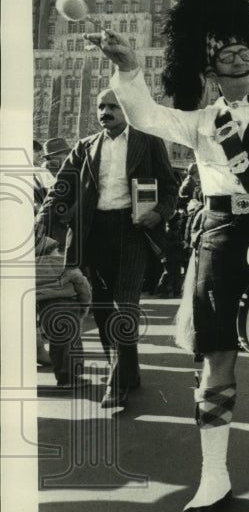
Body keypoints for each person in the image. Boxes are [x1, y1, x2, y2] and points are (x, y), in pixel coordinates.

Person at [86, 0, 249, 512]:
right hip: (220, 236)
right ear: (211, 65)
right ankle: (214, 475)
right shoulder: (200, 121)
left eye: (242, 41)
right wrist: (127, 68)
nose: (237, 50)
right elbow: (146, 115)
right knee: (215, 355)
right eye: (223, 45)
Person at [35, 89, 178, 410]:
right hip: (93, 235)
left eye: (113, 106)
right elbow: (61, 189)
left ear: (127, 110)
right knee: (103, 311)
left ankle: (116, 384)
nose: (105, 112)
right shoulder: (85, 147)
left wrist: (160, 212)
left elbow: (170, 188)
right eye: (101, 107)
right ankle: (129, 373)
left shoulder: (149, 142)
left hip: (133, 233)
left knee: (123, 306)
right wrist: (42, 219)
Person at [35, 236, 93, 389]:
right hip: (69, 307)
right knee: (72, 343)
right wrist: (85, 305)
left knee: (56, 343)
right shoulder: (66, 264)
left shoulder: (31, 269)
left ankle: (61, 377)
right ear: (55, 250)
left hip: (46, 310)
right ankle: (72, 378)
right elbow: (82, 284)